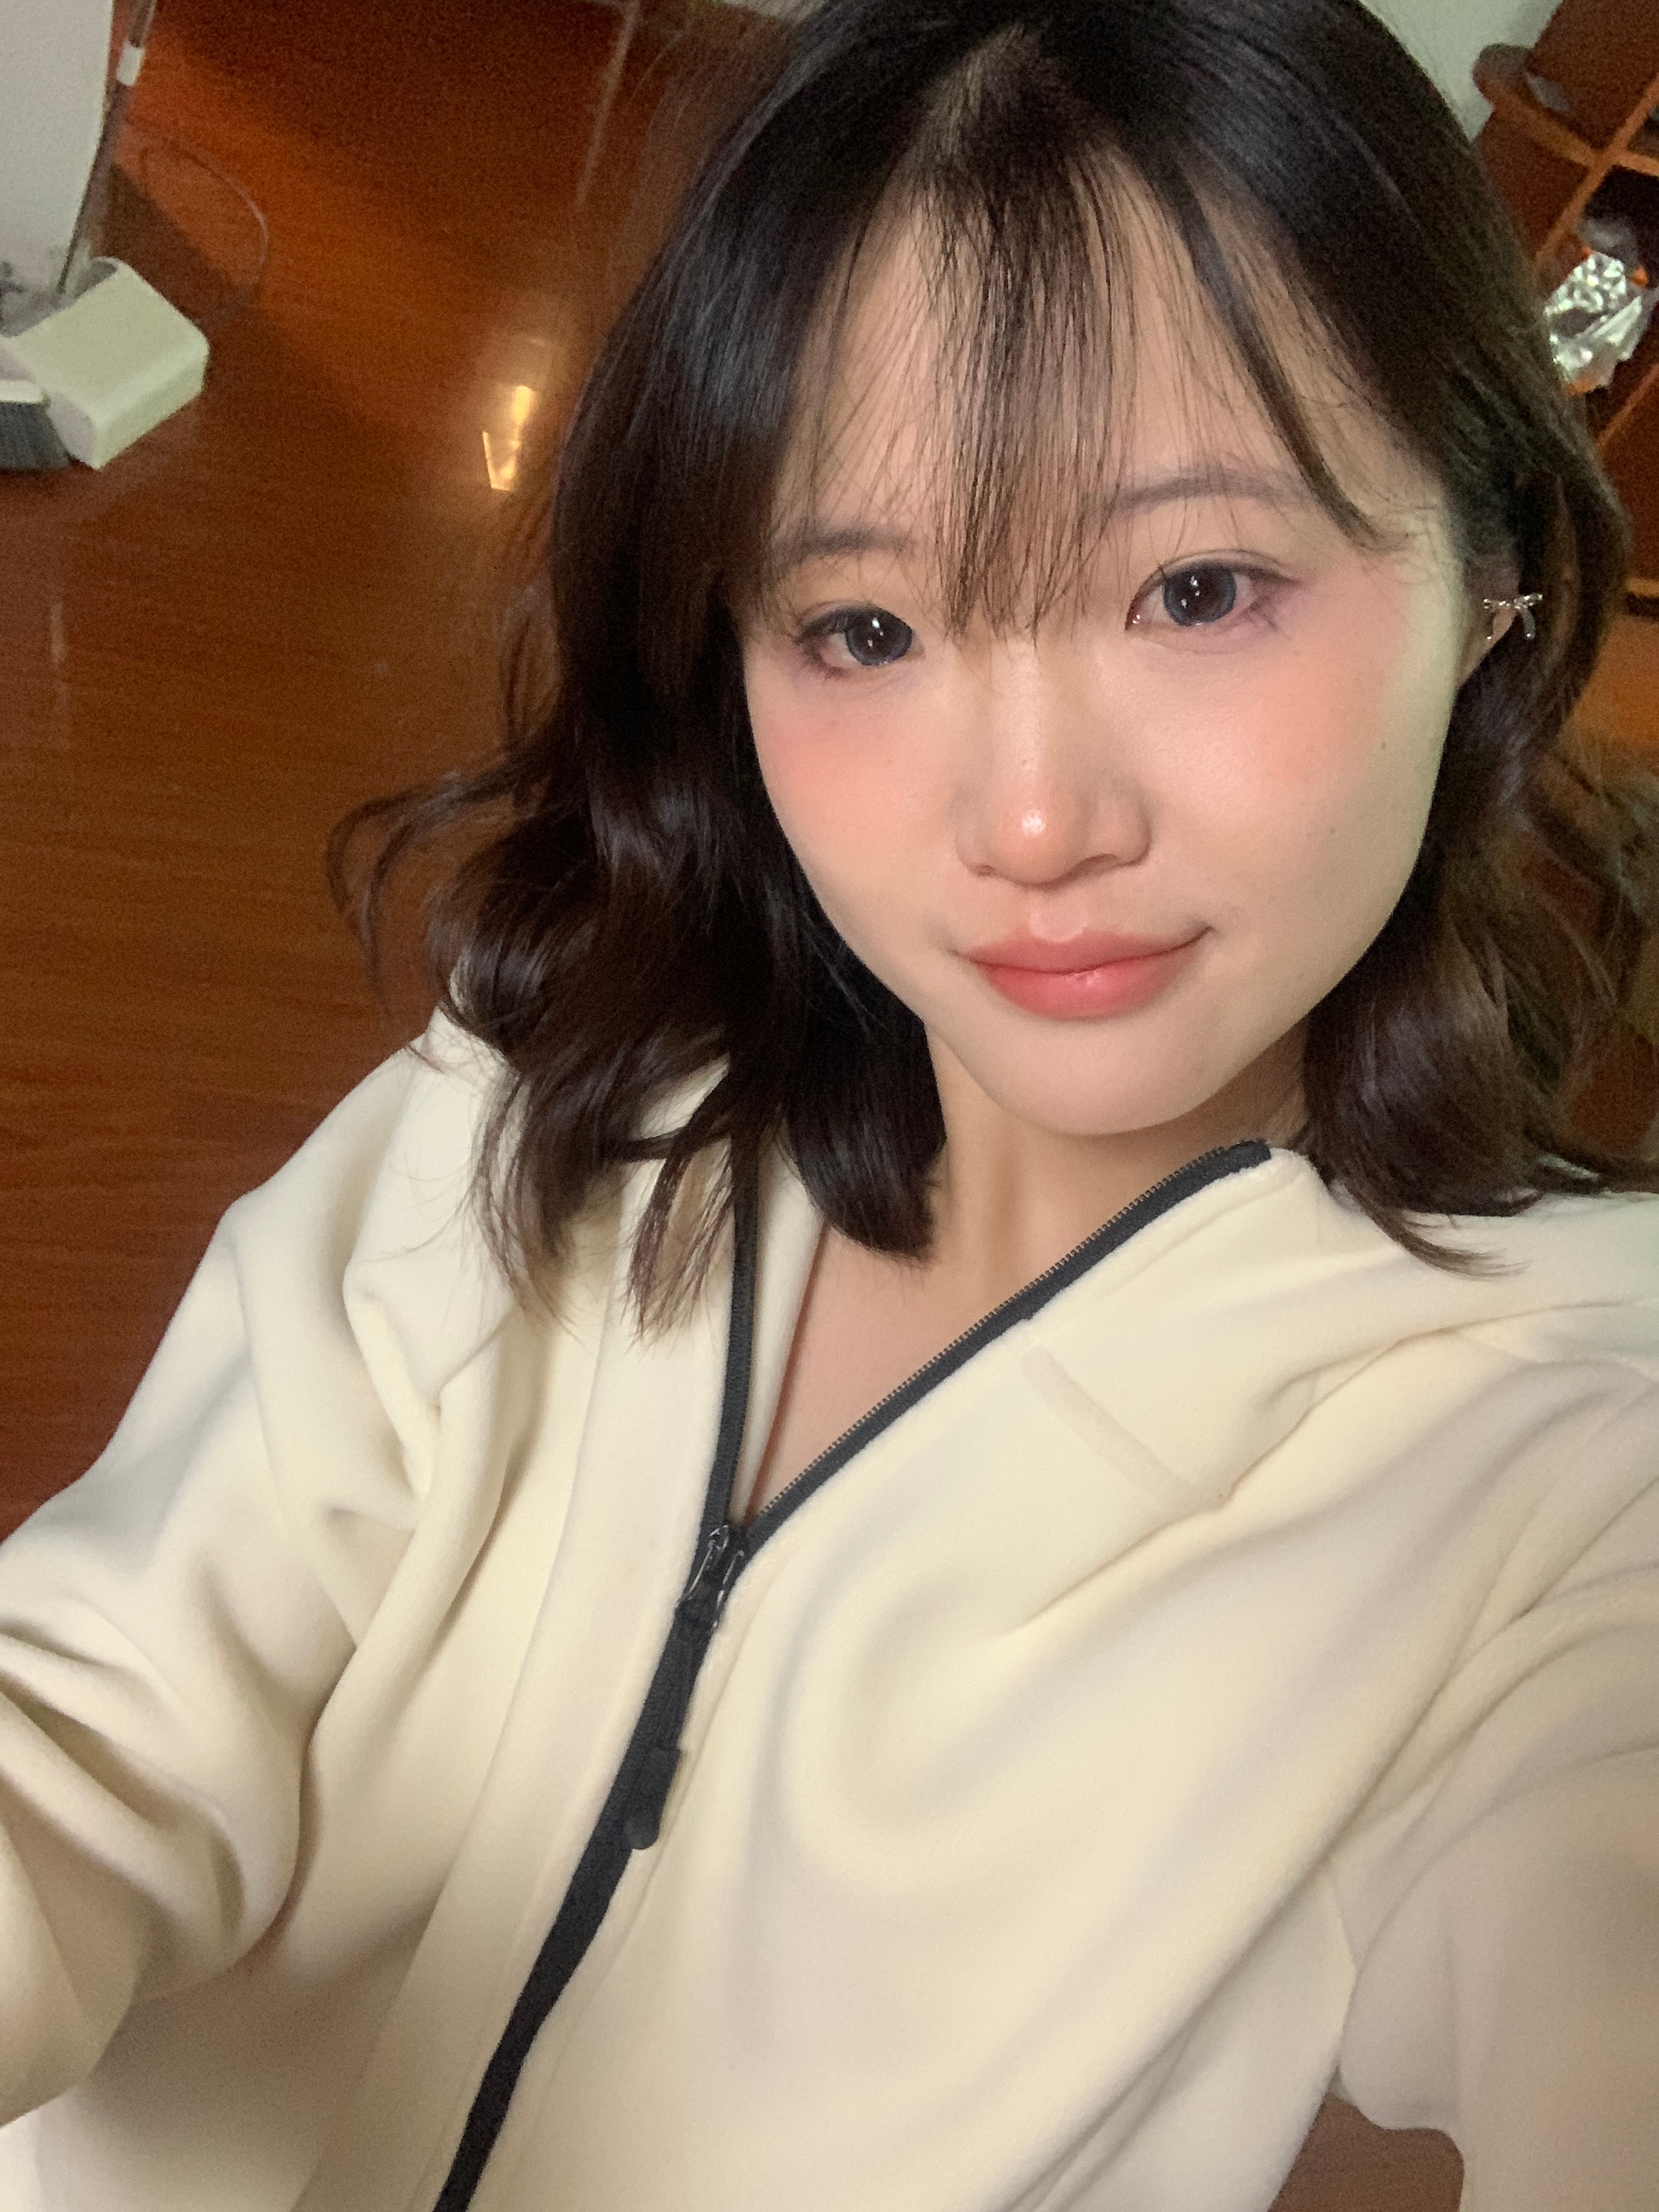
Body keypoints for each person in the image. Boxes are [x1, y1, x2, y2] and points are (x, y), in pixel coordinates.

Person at [2, 0, 1657, 2206]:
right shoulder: (558, 1100)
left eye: (1197, 588)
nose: (1033, 822)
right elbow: (92, 1724)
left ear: (1491, 581)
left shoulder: (1560, 1466)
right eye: (863, 627)